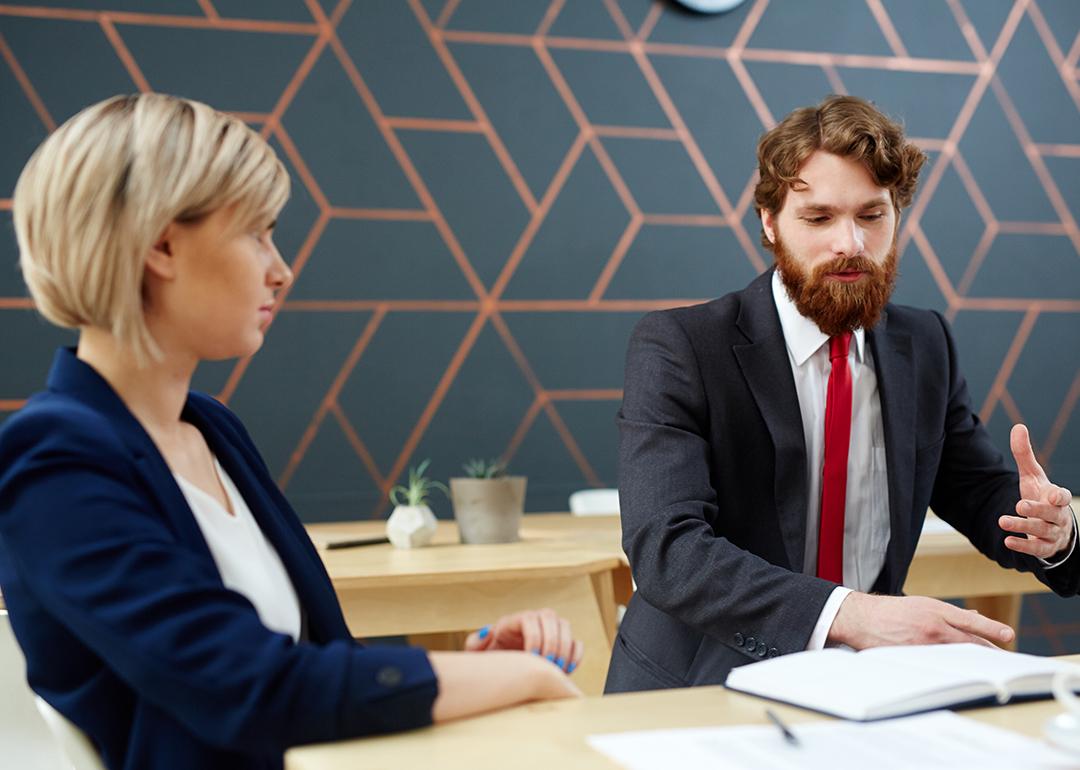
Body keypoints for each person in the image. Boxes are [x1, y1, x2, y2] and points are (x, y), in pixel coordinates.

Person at [0, 93, 583, 770]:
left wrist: (468, 670)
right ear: (161, 243)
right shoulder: (53, 458)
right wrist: (522, 678)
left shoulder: (212, 429)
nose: (281, 268)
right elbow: (251, 688)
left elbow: (302, 662)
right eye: (256, 234)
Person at [605, 94, 1078, 693]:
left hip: (870, 688)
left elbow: (978, 491)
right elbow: (669, 551)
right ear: (770, 222)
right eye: (819, 217)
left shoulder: (924, 341)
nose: (850, 244)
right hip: (704, 684)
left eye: (872, 215)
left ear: (897, 216)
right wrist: (855, 616)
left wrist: (1051, 532)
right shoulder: (680, 347)